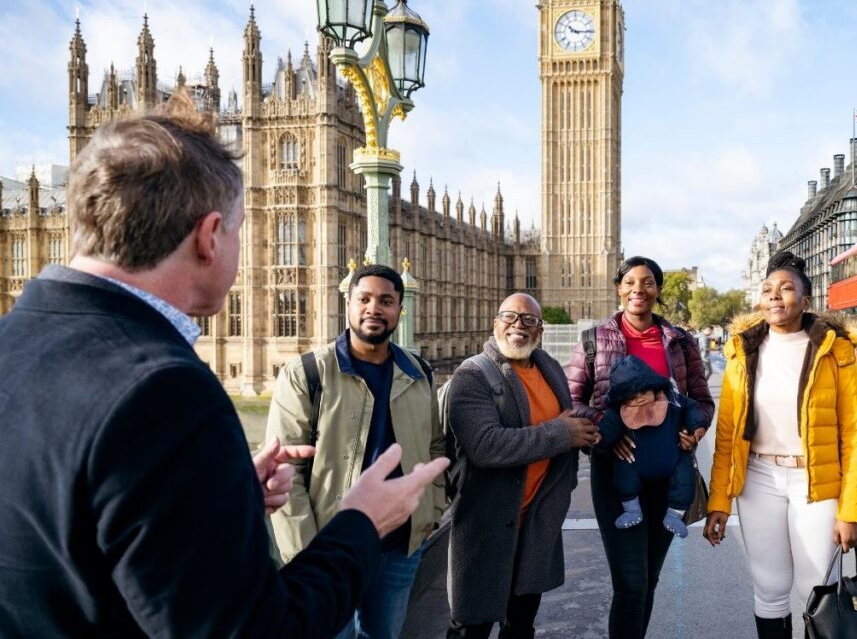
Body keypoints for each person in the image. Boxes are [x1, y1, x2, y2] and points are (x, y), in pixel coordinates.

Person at [0, 93, 447, 637]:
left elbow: (80, 530)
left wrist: (221, 493)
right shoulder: (164, 392)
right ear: (210, 237)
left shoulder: (16, 339)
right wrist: (359, 522)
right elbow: (251, 629)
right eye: (238, 230)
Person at [266, 263, 446, 639]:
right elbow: (285, 471)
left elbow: (434, 446)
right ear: (347, 304)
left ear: (400, 309)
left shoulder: (420, 373)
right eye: (364, 299)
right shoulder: (306, 374)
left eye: (386, 301)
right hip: (329, 548)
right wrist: (304, 555)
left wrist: (431, 510)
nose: (374, 309)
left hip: (399, 547)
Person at [703, 251, 857, 639]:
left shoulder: (836, 352)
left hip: (816, 481)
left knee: (816, 588)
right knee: (769, 587)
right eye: (767, 290)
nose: (774, 296)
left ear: (806, 302)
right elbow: (728, 435)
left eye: (786, 288)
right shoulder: (741, 352)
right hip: (759, 478)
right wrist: (719, 503)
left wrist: (852, 511)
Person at [568, 255, 714, 638]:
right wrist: (606, 432)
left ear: (658, 290)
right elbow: (571, 399)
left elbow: (701, 399)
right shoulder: (594, 339)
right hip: (617, 474)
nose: (639, 289)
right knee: (630, 584)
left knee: (648, 580)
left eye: (648, 282)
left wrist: (693, 433)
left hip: (670, 472)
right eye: (630, 282)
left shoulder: (680, 342)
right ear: (619, 288)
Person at [445, 292, 599, 638]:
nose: (519, 325)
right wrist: (562, 433)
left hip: (536, 527)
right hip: (486, 528)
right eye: (510, 317)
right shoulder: (472, 375)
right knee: (472, 626)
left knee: (521, 626)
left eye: (529, 320)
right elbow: (486, 445)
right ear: (495, 324)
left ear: (540, 330)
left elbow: (570, 427)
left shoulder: (551, 370)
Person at [596, 356, 709, 536]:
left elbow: (691, 407)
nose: (639, 399)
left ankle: (675, 514)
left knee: (683, 476)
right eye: (632, 397)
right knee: (623, 474)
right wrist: (600, 439)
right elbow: (607, 427)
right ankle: (632, 510)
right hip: (634, 460)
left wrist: (697, 427)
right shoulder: (619, 412)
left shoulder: (671, 401)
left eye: (643, 393)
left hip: (673, 457)